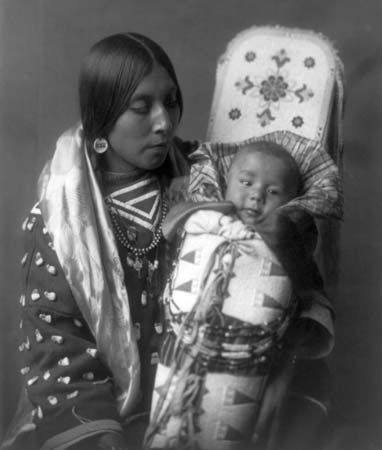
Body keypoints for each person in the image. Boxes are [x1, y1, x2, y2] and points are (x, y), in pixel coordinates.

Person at [1, 32, 195, 450]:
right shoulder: (59, 220)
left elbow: (297, 172)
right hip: (99, 419)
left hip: (192, 409)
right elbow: (56, 345)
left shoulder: (205, 179)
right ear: (102, 115)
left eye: (172, 101)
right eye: (141, 107)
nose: (164, 122)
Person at [144, 141, 335, 450]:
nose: (256, 195)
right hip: (181, 350)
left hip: (249, 364)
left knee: (227, 432)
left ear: (291, 201)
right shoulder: (201, 224)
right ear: (225, 182)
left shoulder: (290, 246)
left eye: (273, 192)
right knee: (168, 429)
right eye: (246, 182)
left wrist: (287, 364)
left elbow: (310, 298)